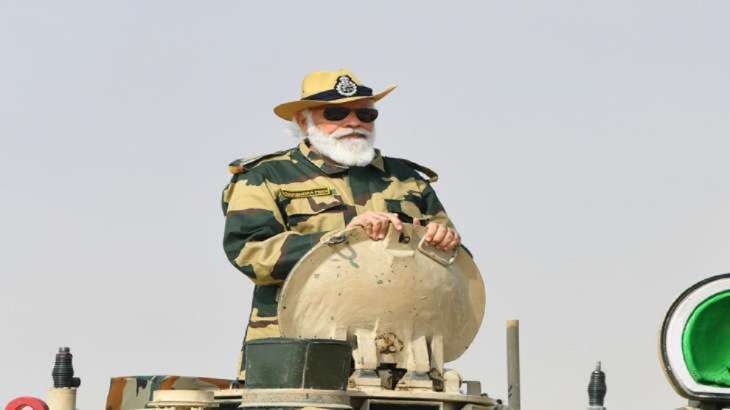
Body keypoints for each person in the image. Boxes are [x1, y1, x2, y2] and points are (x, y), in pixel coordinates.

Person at [221, 69, 460, 379]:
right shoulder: (265, 177)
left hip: (400, 361)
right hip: (295, 353)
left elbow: (453, 265)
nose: (353, 122)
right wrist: (343, 239)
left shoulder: (407, 181)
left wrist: (443, 241)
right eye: (336, 112)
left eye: (365, 113)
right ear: (302, 121)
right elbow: (250, 253)